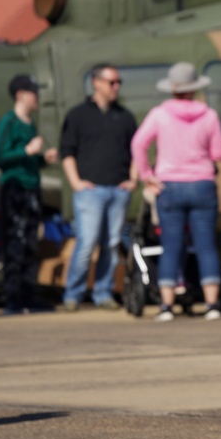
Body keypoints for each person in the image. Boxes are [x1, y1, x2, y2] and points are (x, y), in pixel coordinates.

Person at [131, 62, 221, 322]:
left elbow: (138, 144)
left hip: (169, 186)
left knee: (171, 246)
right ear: (195, 88)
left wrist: (147, 177)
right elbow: (219, 153)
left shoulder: (159, 114)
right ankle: (211, 305)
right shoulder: (209, 114)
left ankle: (166, 306)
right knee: (206, 246)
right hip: (203, 185)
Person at [59, 64, 138, 312]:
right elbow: (67, 152)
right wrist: (76, 183)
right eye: (111, 82)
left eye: (118, 83)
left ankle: (103, 293)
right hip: (89, 193)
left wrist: (132, 180)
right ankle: (72, 295)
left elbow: (136, 151)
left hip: (118, 191)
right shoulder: (78, 115)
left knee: (112, 245)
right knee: (86, 243)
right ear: (96, 82)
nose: (116, 87)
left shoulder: (125, 116)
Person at [0, 75, 58, 315]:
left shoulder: (29, 123)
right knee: (15, 241)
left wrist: (41, 159)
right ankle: (13, 297)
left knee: (31, 242)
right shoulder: (10, 122)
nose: (38, 97)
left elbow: (26, 160)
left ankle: (28, 294)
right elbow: (0, 157)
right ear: (20, 95)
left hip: (31, 187)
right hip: (15, 189)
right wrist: (26, 150)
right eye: (33, 93)